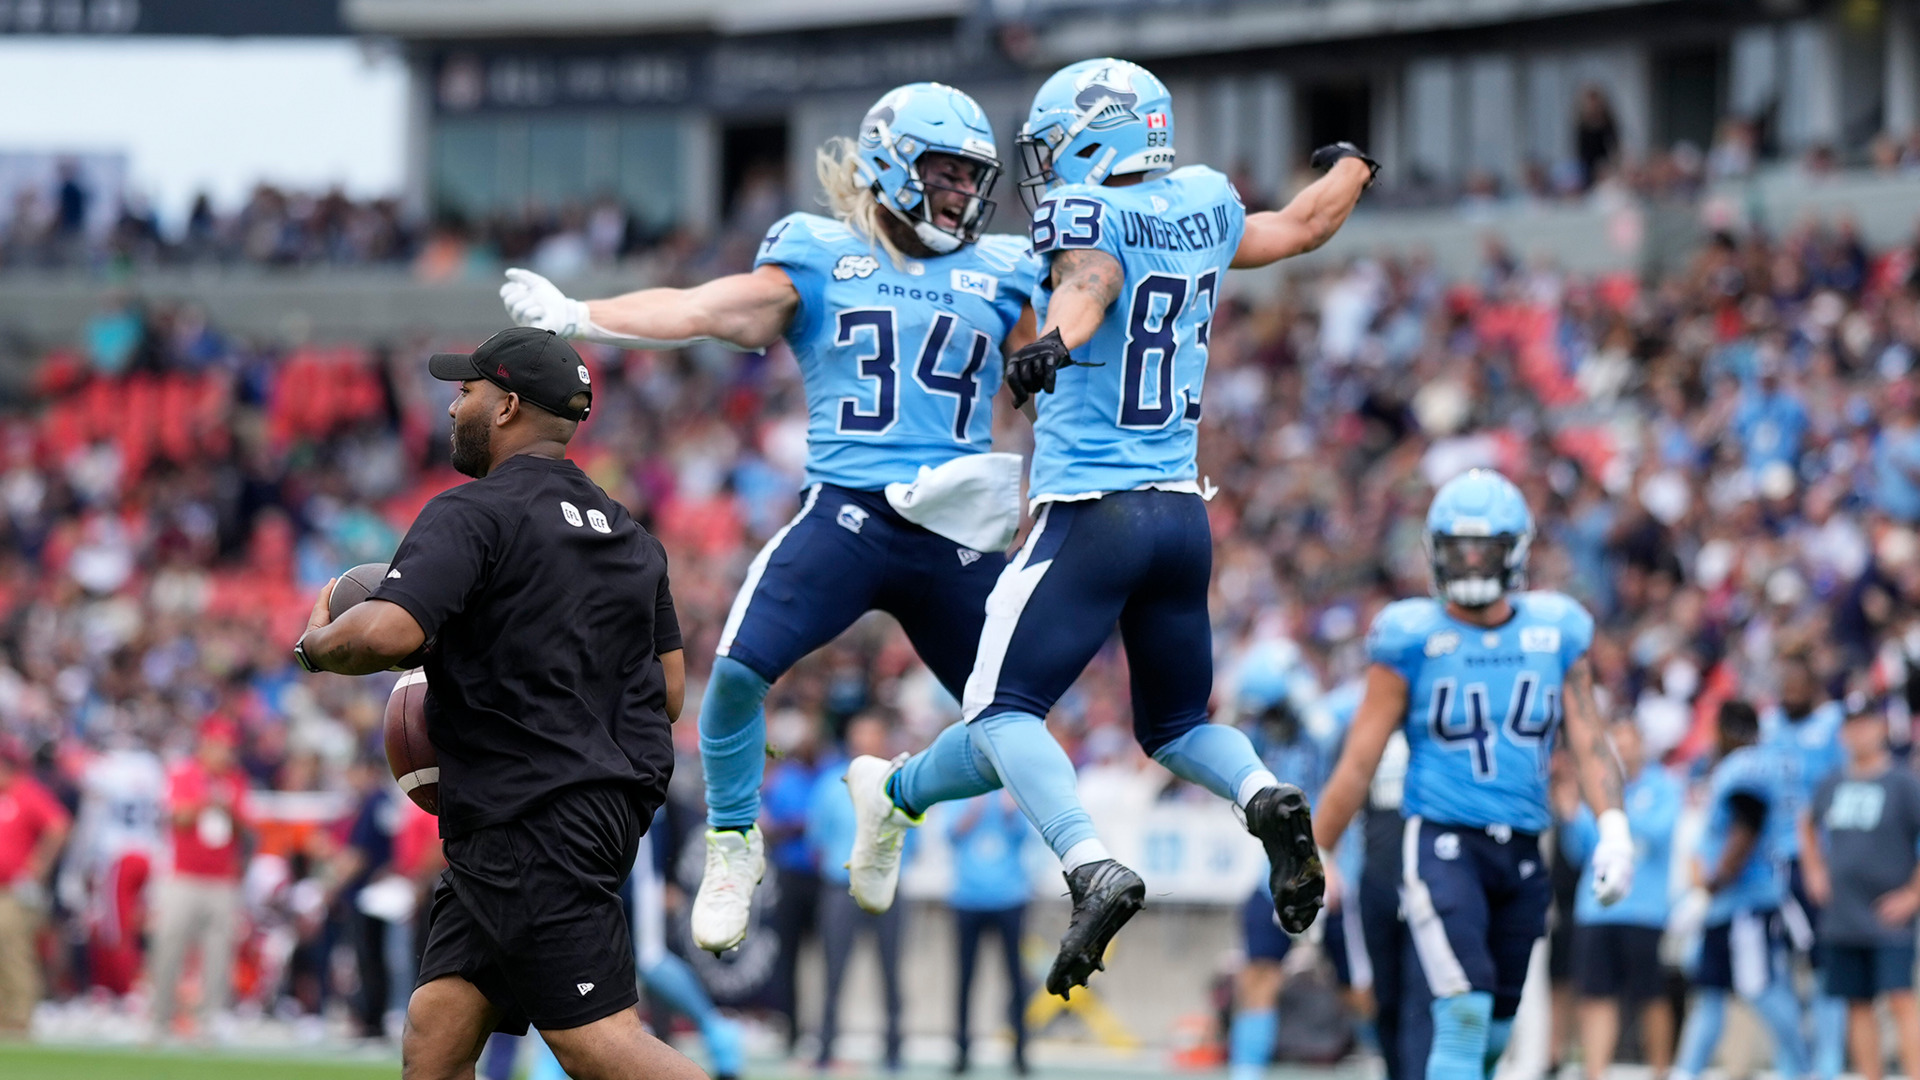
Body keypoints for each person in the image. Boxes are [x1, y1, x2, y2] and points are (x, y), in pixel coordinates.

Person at [843, 56, 1377, 1000]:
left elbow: (1088, 279)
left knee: (1002, 709)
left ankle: (1089, 864)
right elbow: (1301, 225)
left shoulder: (1089, 218)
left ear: (1101, 133)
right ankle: (1262, 796)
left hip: (1093, 513)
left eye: (1055, 148)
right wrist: (1351, 169)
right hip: (1182, 515)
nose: (1049, 170)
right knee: (1174, 727)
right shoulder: (1205, 202)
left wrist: (1057, 337)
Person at [498, 82, 1041, 956]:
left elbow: (1056, 377)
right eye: (945, 174)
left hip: (957, 533)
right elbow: (706, 307)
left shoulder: (1006, 269)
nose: (962, 195)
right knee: (741, 673)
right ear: (895, 169)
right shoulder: (822, 254)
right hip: (849, 516)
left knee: (1018, 720)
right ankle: (732, 843)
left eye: (971, 177)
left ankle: (896, 797)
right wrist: (582, 315)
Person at [291, 325, 704, 1080]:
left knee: (595, 1043)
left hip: (532, 812)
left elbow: (385, 632)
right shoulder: (631, 536)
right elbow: (669, 692)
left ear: (508, 405)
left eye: (467, 391)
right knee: (437, 1029)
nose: (453, 408)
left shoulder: (472, 512)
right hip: (577, 811)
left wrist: (316, 645)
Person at [1311, 469, 1636, 1080]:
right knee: (1462, 1012)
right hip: (1441, 840)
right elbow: (1359, 760)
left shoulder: (1557, 630)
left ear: (1514, 549)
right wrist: (1313, 853)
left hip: (1521, 849)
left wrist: (1614, 827)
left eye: (1482, 547)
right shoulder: (1410, 635)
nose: (1469, 561)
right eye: (1457, 547)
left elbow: (1588, 739)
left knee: (1494, 1033)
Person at [1669, 700, 1810, 1080]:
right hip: (1729, 904)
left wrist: (1715, 881)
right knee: (1711, 993)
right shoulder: (1744, 764)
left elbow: (1746, 824)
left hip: (1745, 901)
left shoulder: (1746, 766)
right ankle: (1687, 1071)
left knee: (1759, 988)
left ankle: (1803, 1067)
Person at [1223, 640, 1335, 1080]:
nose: (1269, 722)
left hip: (1333, 867)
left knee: (1357, 989)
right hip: (1270, 873)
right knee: (1257, 974)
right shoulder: (1259, 733)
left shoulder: (1325, 728)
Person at [1798, 702, 1920, 1080]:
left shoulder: (1903, 783)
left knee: (1900, 998)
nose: (1858, 733)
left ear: (1881, 729)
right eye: (1851, 726)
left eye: (1865, 725)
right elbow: (1807, 823)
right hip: (1844, 913)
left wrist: (1913, 894)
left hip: (1888, 911)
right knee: (1856, 1003)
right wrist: (1815, 870)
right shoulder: (1833, 782)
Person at [1558, 716, 1682, 1080]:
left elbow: (1658, 833)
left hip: (1643, 910)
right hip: (1596, 909)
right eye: (1617, 742)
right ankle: (1595, 1072)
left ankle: (1661, 1071)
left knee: (1650, 995)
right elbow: (1582, 850)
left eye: (1629, 742)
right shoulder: (1597, 788)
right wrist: (1570, 813)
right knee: (1596, 995)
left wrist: (1614, 814)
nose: (1623, 750)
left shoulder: (1662, 786)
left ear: (1642, 745)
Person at [1763, 653, 1848, 1080]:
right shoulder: (1769, 726)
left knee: (1824, 961)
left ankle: (1828, 1059)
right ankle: (1792, 1058)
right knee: (1770, 966)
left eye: (1799, 687)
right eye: (1786, 687)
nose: (1790, 694)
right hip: (1770, 862)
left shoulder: (1832, 724)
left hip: (1816, 860)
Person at [808, 713, 908, 1071]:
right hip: (840, 887)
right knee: (833, 971)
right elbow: (816, 839)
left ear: (883, 739)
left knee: (891, 969)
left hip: (887, 885)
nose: (865, 742)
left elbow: (913, 838)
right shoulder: (828, 783)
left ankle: (895, 1049)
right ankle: (825, 1047)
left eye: (872, 734)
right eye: (859, 735)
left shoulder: (900, 781)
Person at [146, 716, 249, 1041]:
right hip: (183, 877)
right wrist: (207, 800)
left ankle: (209, 1020)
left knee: (218, 952)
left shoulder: (236, 779)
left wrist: (227, 808)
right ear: (206, 744)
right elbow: (177, 817)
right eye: (221, 746)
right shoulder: (184, 773)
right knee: (169, 946)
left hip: (221, 879)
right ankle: (159, 1019)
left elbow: (245, 828)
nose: (226, 753)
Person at [65, 734, 165, 1000]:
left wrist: (79, 865)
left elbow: (84, 787)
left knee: (115, 930)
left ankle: (125, 990)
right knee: (137, 926)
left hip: (118, 855)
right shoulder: (152, 767)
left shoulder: (104, 769)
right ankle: (131, 986)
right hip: (149, 852)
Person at [946, 790, 1034, 1075]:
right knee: (965, 978)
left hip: (1009, 897)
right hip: (968, 898)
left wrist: (1010, 811)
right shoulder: (961, 793)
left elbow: (1024, 837)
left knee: (1015, 979)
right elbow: (951, 835)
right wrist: (974, 809)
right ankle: (961, 1050)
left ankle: (1020, 1051)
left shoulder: (1013, 793)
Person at [0, 738, 70, 1036]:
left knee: (12, 948)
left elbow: (59, 825)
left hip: (16, 892)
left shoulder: (26, 793)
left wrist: (38, 866)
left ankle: (19, 1019)